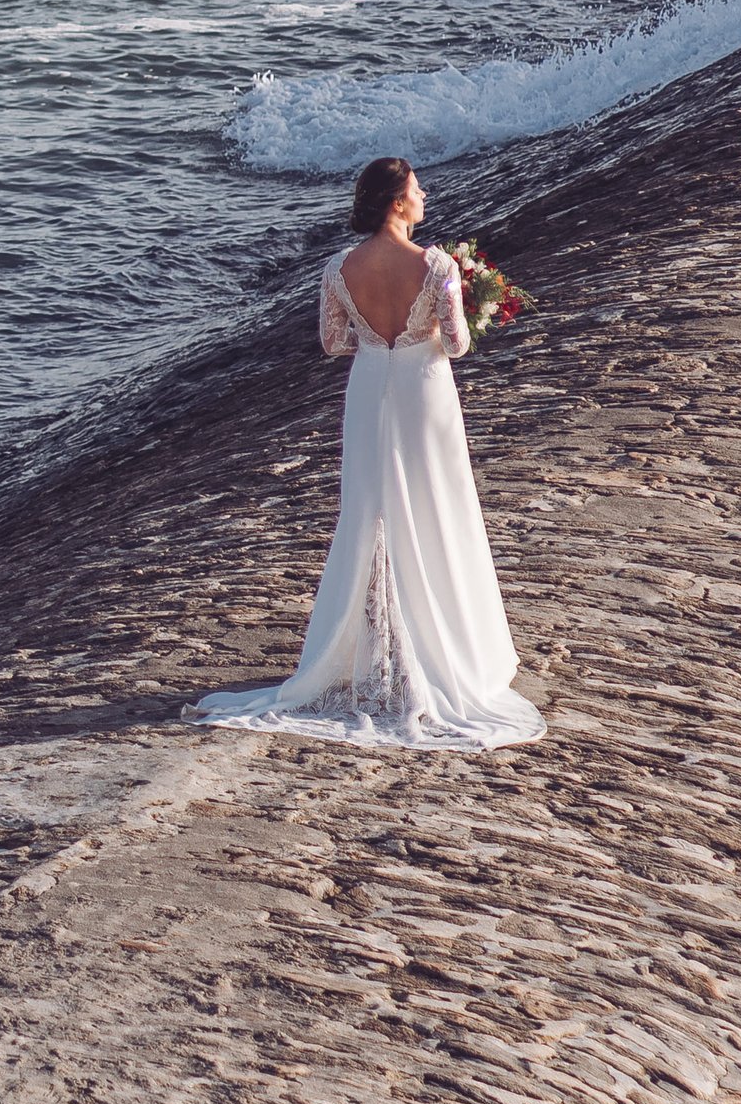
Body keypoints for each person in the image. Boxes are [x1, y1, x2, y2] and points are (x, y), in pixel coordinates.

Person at [195, 156, 543, 752]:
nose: (425, 195)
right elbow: (457, 344)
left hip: (366, 391)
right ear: (397, 203)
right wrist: (455, 308)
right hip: (422, 390)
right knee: (437, 509)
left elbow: (333, 343)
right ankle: (451, 651)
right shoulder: (435, 265)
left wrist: (374, 336)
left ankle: (356, 651)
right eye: (416, 189)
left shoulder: (338, 268)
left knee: (367, 516)